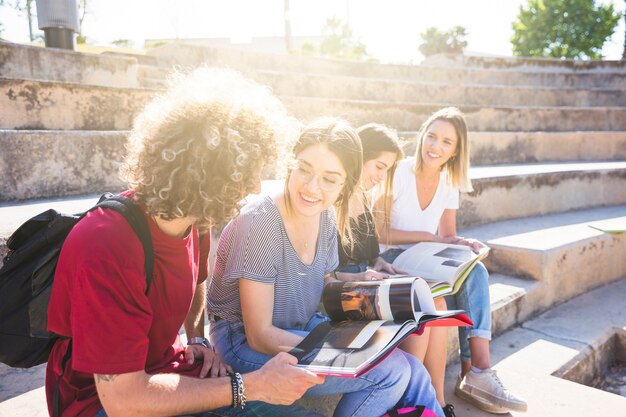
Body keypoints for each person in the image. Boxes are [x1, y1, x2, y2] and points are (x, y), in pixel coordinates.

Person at [45, 67, 327, 417]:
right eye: (247, 172)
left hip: (168, 370)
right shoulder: (107, 244)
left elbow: (197, 281)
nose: (256, 187)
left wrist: (195, 336)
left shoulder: (196, 216)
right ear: (208, 171)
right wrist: (250, 385)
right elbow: (124, 401)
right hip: (101, 401)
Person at [206, 118, 445, 417]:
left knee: (413, 368)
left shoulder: (326, 215)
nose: (311, 187)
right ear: (289, 165)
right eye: (304, 169)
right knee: (392, 371)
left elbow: (323, 280)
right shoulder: (260, 221)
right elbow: (260, 335)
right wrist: (351, 349)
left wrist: (375, 293)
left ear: (346, 184)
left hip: (299, 324)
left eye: (330, 179)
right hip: (244, 345)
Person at [376, 107, 528, 414]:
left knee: (475, 270)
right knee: (443, 299)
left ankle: (478, 371)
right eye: (431, 136)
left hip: (424, 256)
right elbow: (381, 230)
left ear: (456, 150)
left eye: (446, 142)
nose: (435, 146)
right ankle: (474, 373)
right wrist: (430, 238)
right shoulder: (400, 171)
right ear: (421, 137)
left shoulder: (449, 181)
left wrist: (465, 245)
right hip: (390, 256)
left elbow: (448, 235)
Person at [332, 123, 456, 417]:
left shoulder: (363, 197)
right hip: (341, 295)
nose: (381, 176)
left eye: (387, 170)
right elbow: (324, 273)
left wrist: (378, 264)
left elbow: (367, 252)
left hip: (364, 282)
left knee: (435, 303)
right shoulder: (333, 200)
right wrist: (359, 276)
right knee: (418, 309)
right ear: (357, 156)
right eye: (378, 166)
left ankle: (434, 402)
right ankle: (406, 406)